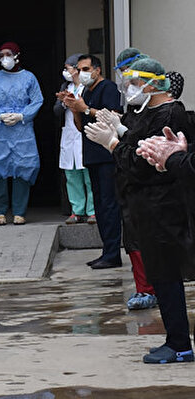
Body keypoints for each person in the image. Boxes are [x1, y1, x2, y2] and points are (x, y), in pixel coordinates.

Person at [85, 57, 195, 364]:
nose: (130, 89)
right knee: (160, 275)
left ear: (151, 82)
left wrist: (112, 144)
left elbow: (143, 165)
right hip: (149, 209)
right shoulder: (152, 111)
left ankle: (179, 344)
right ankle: (176, 341)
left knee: (166, 276)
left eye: (134, 83)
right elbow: (139, 141)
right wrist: (120, 129)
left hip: (164, 209)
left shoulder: (170, 113)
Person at [103, 48, 157, 310]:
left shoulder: (160, 113)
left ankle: (150, 288)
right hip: (129, 184)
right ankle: (144, 287)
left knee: (148, 239)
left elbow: (140, 147)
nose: (128, 87)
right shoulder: (135, 110)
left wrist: (118, 136)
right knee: (134, 239)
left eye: (134, 82)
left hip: (147, 187)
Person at [63, 54, 122, 269]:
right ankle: (107, 251)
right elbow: (81, 126)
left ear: (97, 70)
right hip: (91, 154)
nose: (82, 73)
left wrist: (85, 109)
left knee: (109, 204)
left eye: (86, 69)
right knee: (99, 204)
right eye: (79, 70)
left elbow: (112, 117)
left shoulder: (108, 88)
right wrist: (74, 108)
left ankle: (113, 252)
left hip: (107, 154)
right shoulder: (86, 91)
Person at [0, 42, 43, 225]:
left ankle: (19, 211)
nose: (5, 58)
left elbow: (37, 100)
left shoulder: (29, 78)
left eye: (8, 54)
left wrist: (22, 116)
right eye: (1, 55)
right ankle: (0, 211)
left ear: (17, 56)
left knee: (24, 166)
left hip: (22, 129)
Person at [54, 53, 95, 225]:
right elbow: (56, 111)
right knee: (72, 175)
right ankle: (76, 210)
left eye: (68, 68)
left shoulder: (88, 88)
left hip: (85, 134)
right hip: (69, 135)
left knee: (88, 175)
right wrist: (64, 102)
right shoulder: (66, 86)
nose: (66, 71)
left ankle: (93, 211)